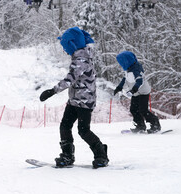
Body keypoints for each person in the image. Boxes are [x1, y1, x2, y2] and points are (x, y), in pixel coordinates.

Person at [39, 27, 109, 168]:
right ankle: (67, 155)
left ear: (72, 44)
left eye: (65, 46)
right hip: (75, 100)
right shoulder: (79, 57)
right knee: (65, 126)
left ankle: (101, 154)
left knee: (83, 130)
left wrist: (52, 91)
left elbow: (70, 79)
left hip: (84, 102)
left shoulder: (81, 59)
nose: (64, 50)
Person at [113, 51, 161, 134]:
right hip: (135, 92)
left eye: (122, 62)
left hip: (143, 92)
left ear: (127, 61)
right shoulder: (128, 70)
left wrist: (133, 90)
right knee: (133, 109)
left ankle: (155, 124)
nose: (121, 64)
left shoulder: (136, 69)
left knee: (143, 110)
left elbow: (139, 81)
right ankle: (140, 126)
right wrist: (119, 87)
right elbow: (125, 79)